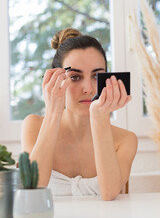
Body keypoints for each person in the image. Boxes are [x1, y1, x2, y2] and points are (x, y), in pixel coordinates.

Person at [21, 28, 137, 200]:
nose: (88, 89)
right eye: (75, 77)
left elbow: (110, 193)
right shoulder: (34, 126)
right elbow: (33, 190)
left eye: (97, 76)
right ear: (56, 78)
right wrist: (54, 111)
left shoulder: (125, 140)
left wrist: (99, 117)